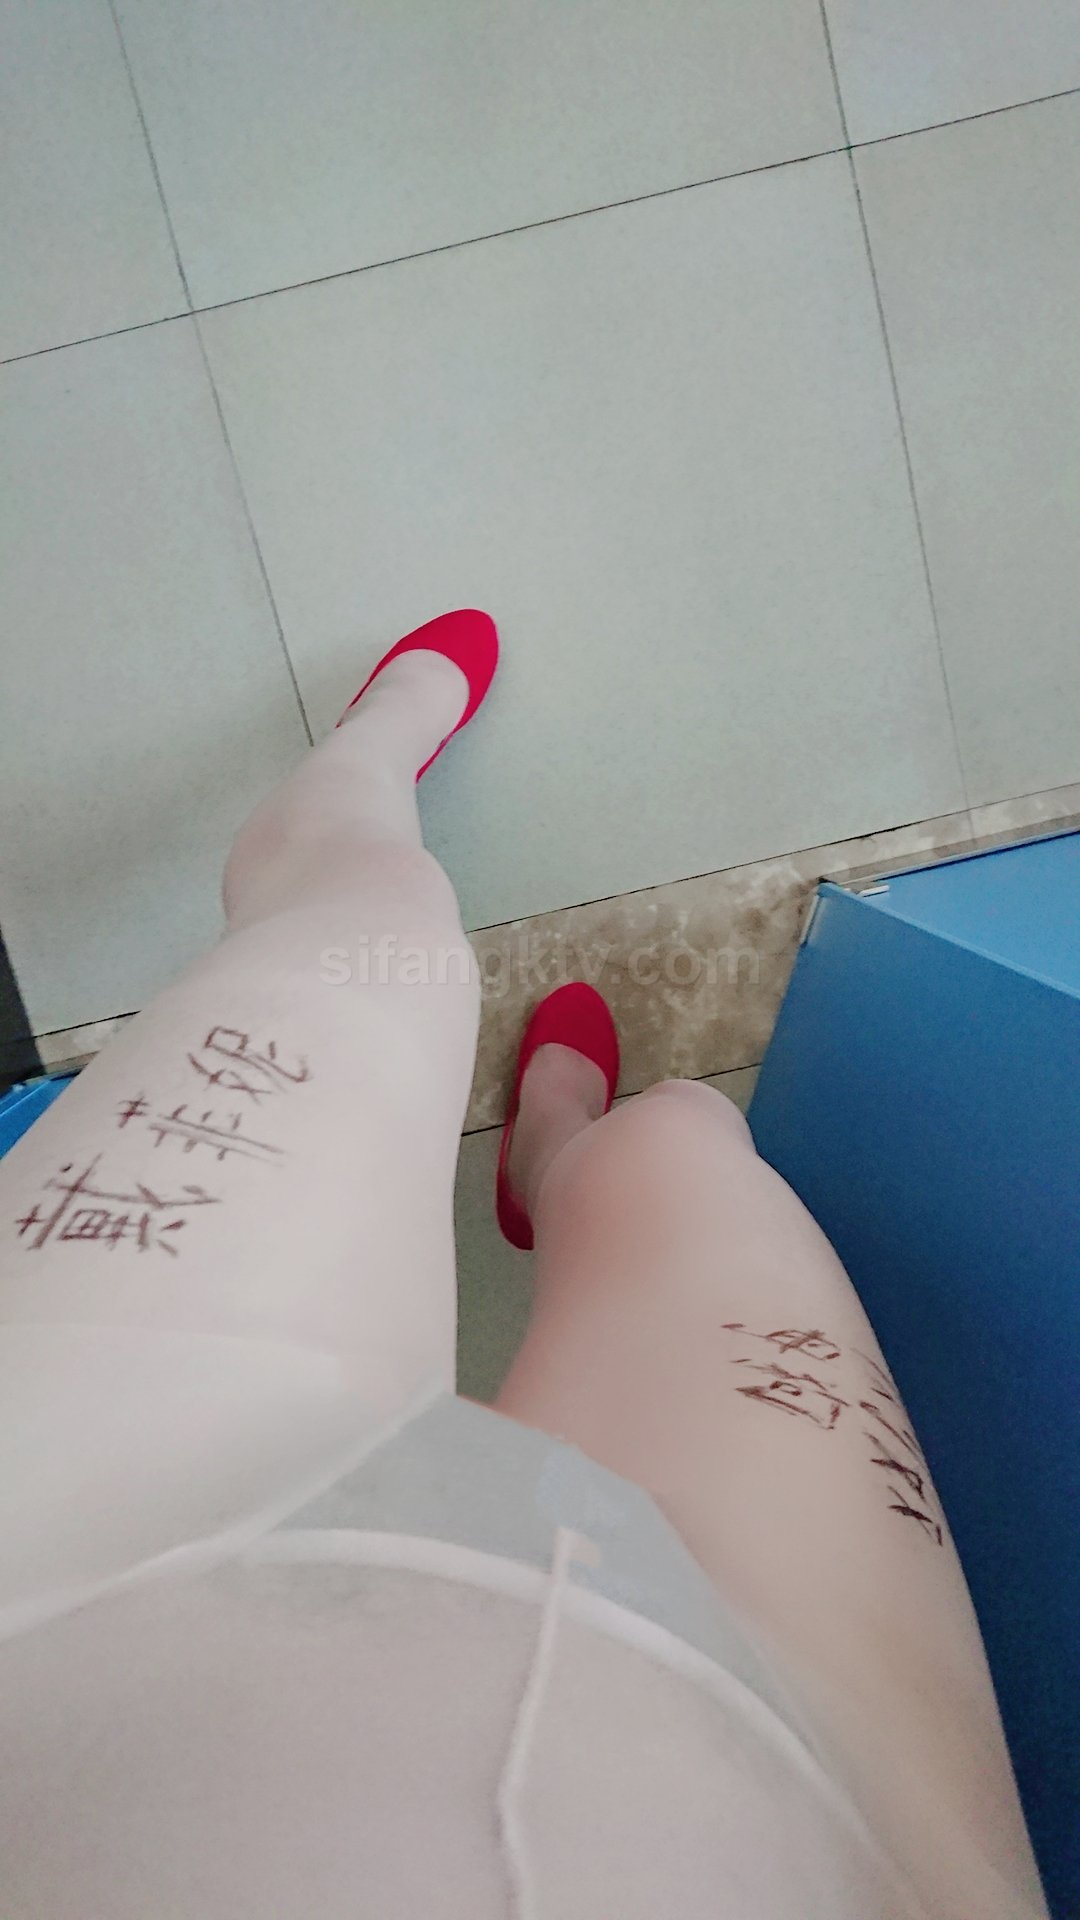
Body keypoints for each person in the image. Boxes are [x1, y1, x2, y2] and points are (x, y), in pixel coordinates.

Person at [0, 610, 1046, 1918]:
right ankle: (552, 1154)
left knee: (367, 928)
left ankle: (374, 756)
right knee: (682, 1139)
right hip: (817, 1804)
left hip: (53, 1564)